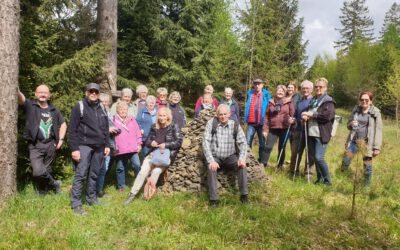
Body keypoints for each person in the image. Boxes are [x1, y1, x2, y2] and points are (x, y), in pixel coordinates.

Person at [124, 107, 183, 204]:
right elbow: (147, 141)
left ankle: (148, 194)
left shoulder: (173, 126)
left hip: (165, 156)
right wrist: (151, 143)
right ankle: (132, 194)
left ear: (168, 116)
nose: (162, 117)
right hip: (152, 154)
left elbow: (179, 141)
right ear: (157, 116)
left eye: (164, 115)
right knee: (143, 171)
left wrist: (166, 145)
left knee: (155, 171)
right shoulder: (154, 126)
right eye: (160, 115)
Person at [69, 83, 111, 215]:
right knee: (81, 174)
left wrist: (107, 144)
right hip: (84, 145)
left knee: (94, 174)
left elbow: (106, 128)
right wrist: (74, 149)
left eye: (96, 92)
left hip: (99, 146)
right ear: (86, 92)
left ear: (99, 94)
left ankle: (91, 199)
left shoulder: (102, 108)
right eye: (91, 91)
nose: (93, 93)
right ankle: (76, 204)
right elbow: (72, 129)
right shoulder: (80, 106)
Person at [17, 85, 66, 195]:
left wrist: (61, 140)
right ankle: (54, 184)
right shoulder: (31, 106)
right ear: (36, 94)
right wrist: (17, 91)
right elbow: (21, 99)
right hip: (35, 145)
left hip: (50, 144)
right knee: (38, 171)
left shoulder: (54, 110)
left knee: (46, 169)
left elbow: (63, 124)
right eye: (40, 92)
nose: (43, 94)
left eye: (45, 93)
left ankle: (42, 190)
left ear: (49, 95)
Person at [202, 104, 248, 207]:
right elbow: (206, 143)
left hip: (230, 156)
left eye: (225, 114)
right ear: (217, 115)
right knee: (211, 168)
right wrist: (211, 160)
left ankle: (244, 195)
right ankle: (214, 200)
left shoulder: (235, 125)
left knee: (242, 166)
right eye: (220, 114)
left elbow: (243, 143)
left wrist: (242, 158)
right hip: (215, 157)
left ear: (229, 114)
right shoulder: (211, 123)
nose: (223, 116)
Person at [341, 91, 382, 185]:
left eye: (366, 100)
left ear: (371, 101)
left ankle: (366, 186)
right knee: (346, 160)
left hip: (367, 144)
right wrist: (351, 124)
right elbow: (348, 125)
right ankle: (342, 180)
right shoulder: (356, 110)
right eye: (362, 99)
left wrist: (377, 147)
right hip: (354, 141)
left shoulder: (375, 113)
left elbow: (378, 130)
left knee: (367, 166)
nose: (364, 101)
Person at [301, 77, 335, 186]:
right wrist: (306, 116)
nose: (318, 88)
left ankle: (328, 181)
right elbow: (311, 112)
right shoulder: (314, 99)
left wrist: (311, 114)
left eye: (321, 86)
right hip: (311, 132)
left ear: (325, 88)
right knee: (315, 157)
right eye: (316, 86)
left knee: (319, 158)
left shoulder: (328, 101)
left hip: (322, 133)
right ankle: (319, 179)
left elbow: (327, 116)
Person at [262, 85, 295, 170]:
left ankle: (280, 166)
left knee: (282, 148)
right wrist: (265, 129)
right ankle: (263, 164)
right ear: (276, 92)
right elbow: (266, 116)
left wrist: (292, 120)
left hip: (285, 128)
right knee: (268, 147)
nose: (280, 92)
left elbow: (293, 115)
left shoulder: (289, 102)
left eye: (282, 91)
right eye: (278, 91)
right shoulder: (270, 102)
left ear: (285, 93)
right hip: (273, 128)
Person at [113, 101, 142, 191]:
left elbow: (138, 132)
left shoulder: (132, 119)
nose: (123, 111)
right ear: (117, 110)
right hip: (120, 149)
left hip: (132, 148)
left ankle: (139, 184)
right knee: (120, 168)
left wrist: (139, 143)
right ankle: (121, 186)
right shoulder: (113, 120)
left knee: (137, 165)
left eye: (125, 109)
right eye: (121, 109)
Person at [289, 80, 315, 178]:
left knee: (310, 154)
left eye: (307, 88)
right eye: (303, 88)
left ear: (311, 90)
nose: (305, 90)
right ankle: (293, 171)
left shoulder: (314, 100)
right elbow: (295, 114)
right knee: (295, 152)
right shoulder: (299, 101)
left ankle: (308, 174)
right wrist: (293, 119)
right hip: (299, 130)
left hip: (310, 131)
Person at [244, 78, 271, 164]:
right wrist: (245, 119)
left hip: (262, 123)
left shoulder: (266, 95)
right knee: (248, 142)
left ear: (262, 85)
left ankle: (261, 161)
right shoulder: (250, 93)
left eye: (259, 84)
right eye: (255, 84)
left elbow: (269, 108)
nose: (257, 85)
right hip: (251, 122)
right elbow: (247, 106)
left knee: (262, 143)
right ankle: (247, 159)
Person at [96, 93, 118, 197]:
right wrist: (108, 129)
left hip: (108, 144)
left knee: (104, 168)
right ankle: (93, 190)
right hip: (98, 144)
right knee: (97, 168)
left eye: (106, 102)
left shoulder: (109, 114)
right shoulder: (95, 113)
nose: (104, 104)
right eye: (102, 101)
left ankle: (99, 190)